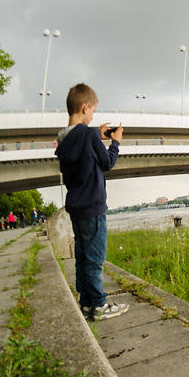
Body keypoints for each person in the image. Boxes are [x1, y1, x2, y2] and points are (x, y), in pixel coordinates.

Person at [55, 83, 129, 321]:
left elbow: (83, 153)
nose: (93, 115)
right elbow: (106, 163)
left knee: (83, 258)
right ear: (86, 107)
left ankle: (86, 302)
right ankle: (99, 304)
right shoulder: (87, 135)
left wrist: (95, 134)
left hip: (76, 207)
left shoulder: (64, 138)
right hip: (94, 207)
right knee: (95, 259)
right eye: (93, 111)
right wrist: (115, 141)